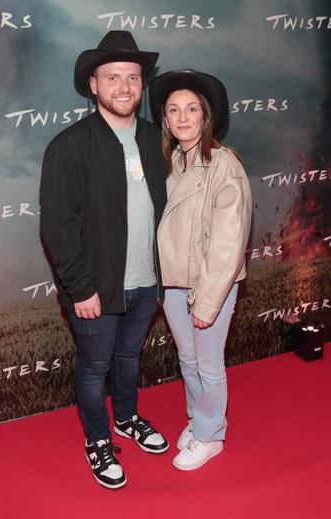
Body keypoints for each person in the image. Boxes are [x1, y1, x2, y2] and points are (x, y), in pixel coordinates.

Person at [40, 31, 169, 490]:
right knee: (95, 367)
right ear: (93, 85)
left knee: (130, 356)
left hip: (146, 281)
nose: (124, 86)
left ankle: (127, 418)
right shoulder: (69, 146)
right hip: (96, 287)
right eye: (112, 77)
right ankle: (97, 438)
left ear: (141, 83)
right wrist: (80, 288)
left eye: (132, 77)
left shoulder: (157, 140)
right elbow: (58, 225)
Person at [149, 69, 252, 471]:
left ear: (206, 115)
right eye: (174, 110)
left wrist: (208, 302)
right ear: (166, 119)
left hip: (212, 285)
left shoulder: (224, 166)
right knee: (188, 361)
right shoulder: (174, 161)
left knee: (208, 364)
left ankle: (210, 435)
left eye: (191, 109)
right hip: (174, 283)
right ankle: (200, 418)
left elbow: (228, 246)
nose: (182, 117)